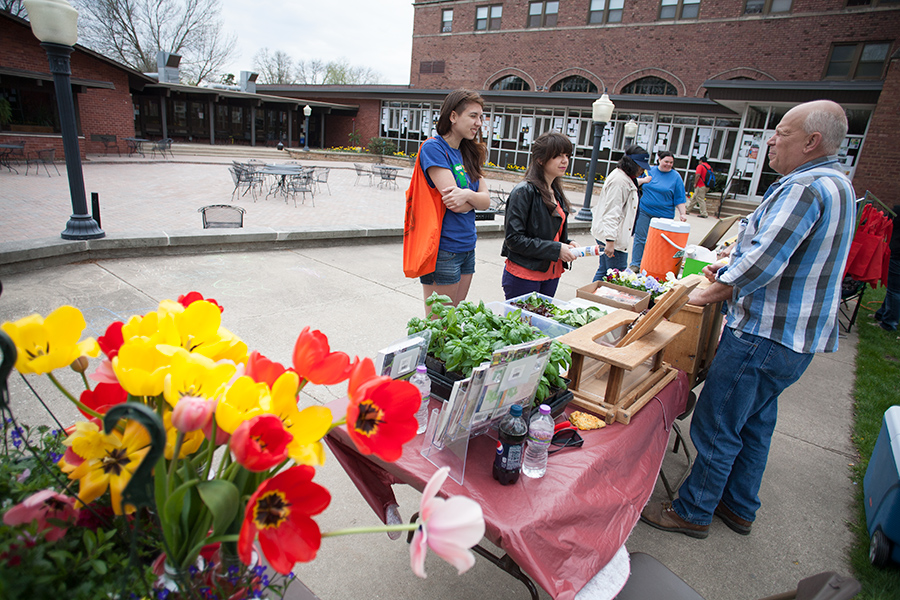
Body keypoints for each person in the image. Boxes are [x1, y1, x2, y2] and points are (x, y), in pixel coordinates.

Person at [640, 100, 856, 539]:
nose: (771, 140)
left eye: (782, 132)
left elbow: (761, 267)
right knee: (754, 423)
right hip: (796, 340)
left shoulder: (805, 186)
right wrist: (730, 265)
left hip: (764, 335)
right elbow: (786, 259)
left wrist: (690, 297)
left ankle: (693, 512)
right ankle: (739, 506)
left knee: (716, 424)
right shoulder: (839, 184)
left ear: (812, 142)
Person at [416, 89, 491, 314]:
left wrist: (467, 195)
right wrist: (473, 199)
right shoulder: (434, 148)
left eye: (481, 117)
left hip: (468, 245)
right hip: (444, 249)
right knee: (439, 324)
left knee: (454, 318)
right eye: (473, 116)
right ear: (453, 116)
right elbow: (454, 204)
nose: (478, 122)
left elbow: (486, 201)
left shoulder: (469, 153)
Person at [501, 132, 580, 299]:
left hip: (551, 273)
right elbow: (513, 239)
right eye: (558, 155)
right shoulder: (524, 191)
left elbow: (546, 231)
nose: (565, 160)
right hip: (525, 274)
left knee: (542, 324)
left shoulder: (555, 191)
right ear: (541, 159)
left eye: (567, 155)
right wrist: (557, 249)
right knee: (522, 324)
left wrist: (566, 243)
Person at [590, 145, 652, 281]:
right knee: (616, 275)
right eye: (640, 167)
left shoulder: (625, 177)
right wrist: (610, 242)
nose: (642, 171)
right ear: (631, 164)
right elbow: (612, 212)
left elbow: (632, 185)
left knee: (605, 271)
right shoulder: (619, 181)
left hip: (610, 234)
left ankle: (588, 299)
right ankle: (593, 300)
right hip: (612, 237)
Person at [629, 151, 687, 271]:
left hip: (664, 215)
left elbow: (680, 198)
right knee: (640, 238)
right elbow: (633, 183)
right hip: (645, 211)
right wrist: (644, 180)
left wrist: (683, 214)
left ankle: (655, 265)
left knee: (660, 242)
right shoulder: (648, 171)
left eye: (671, 162)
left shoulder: (676, 177)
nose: (668, 164)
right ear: (659, 160)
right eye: (666, 161)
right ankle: (636, 264)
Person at [874, 205, 900, 332]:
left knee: (894, 290)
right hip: (896, 253)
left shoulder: (897, 210)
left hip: (897, 254)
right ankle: (882, 314)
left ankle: (889, 323)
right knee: (894, 289)